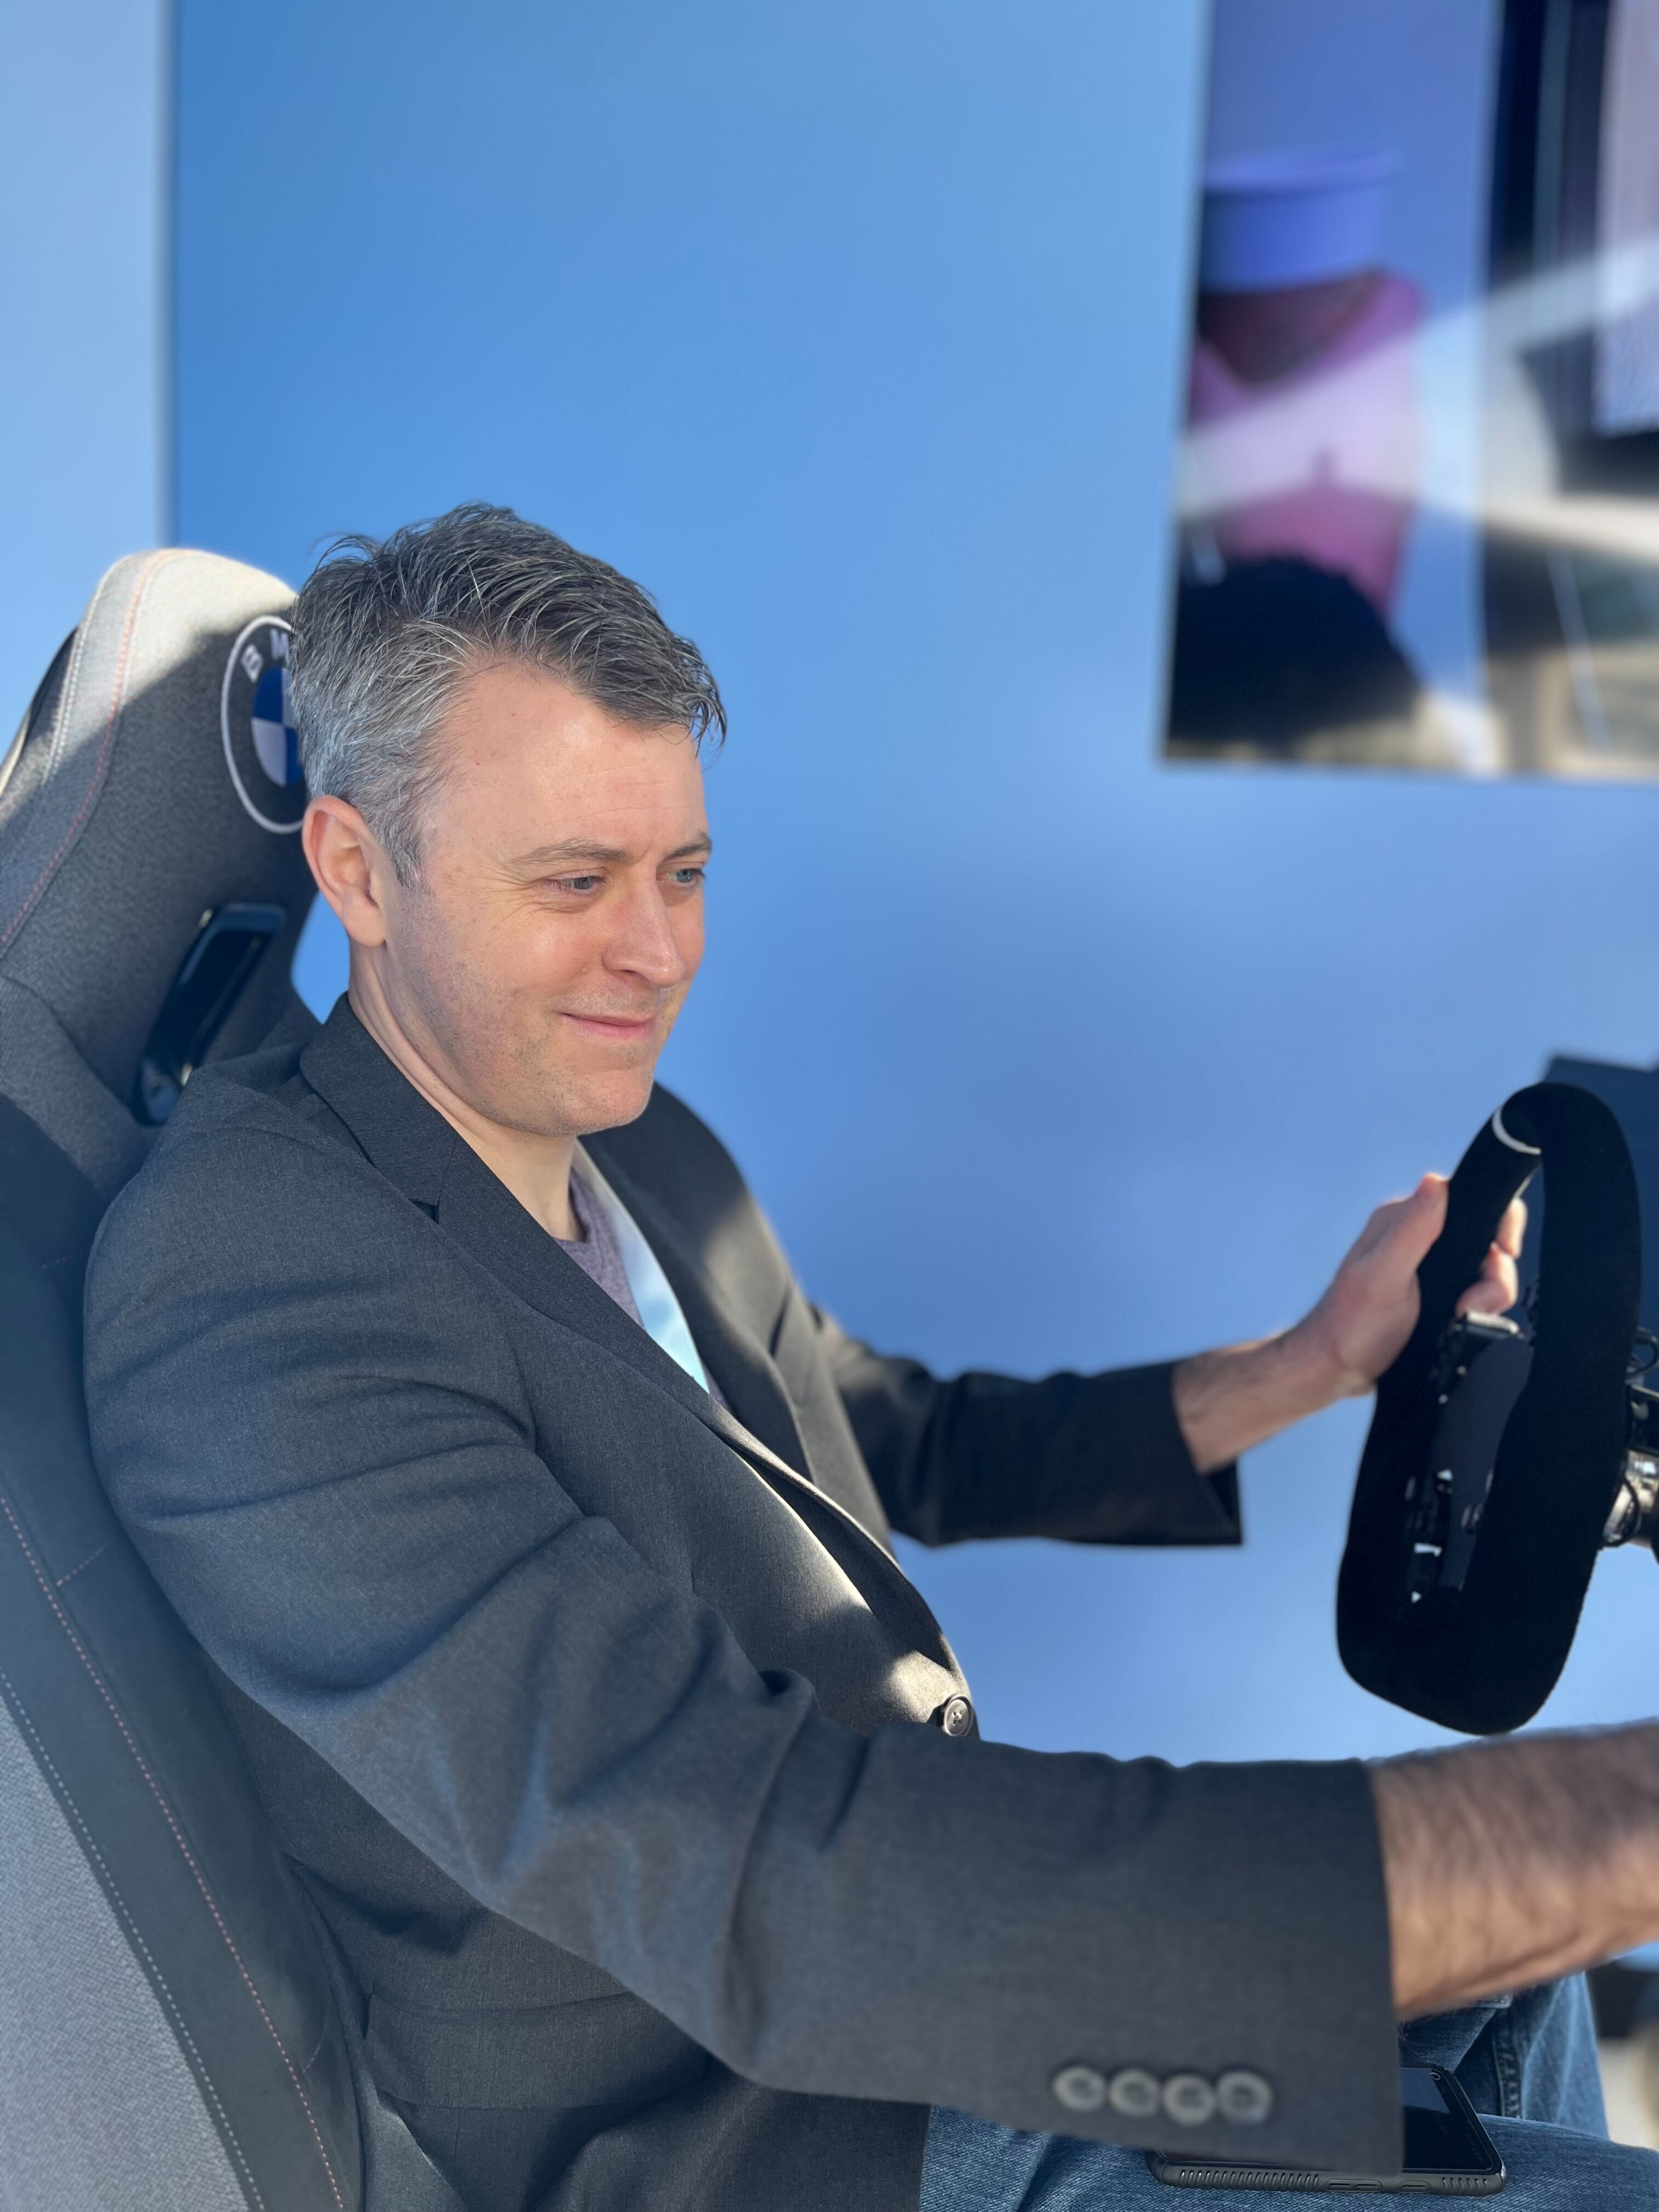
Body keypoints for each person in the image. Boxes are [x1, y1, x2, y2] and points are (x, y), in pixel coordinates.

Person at [84, 506, 1659, 2212]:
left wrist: (1309, 1361)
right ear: (355, 868)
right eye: (576, 883)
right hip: (791, 2137)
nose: (658, 952)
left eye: (684, 873)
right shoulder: (247, 1289)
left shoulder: (629, 1132)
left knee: (1512, 1964)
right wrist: (1611, 1819)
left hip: (914, 1978)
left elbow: (891, 1440)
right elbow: (747, 1870)